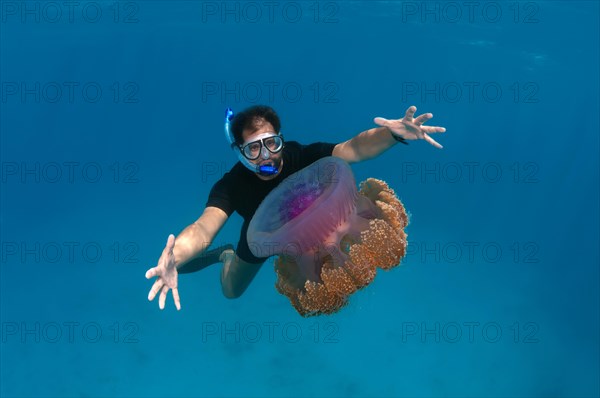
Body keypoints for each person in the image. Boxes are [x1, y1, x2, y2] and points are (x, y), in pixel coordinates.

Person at [145, 105, 446, 310]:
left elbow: (351, 149)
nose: (266, 157)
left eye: (271, 143)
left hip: (318, 228)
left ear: (281, 139)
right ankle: (227, 255)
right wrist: (177, 256)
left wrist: (391, 134)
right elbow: (202, 228)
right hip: (260, 239)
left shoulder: (300, 155)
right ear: (239, 153)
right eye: (253, 148)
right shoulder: (232, 185)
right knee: (231, 292)